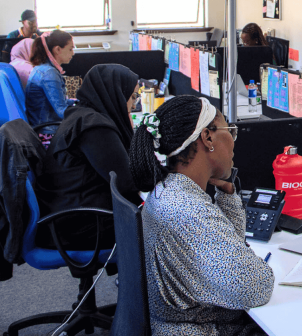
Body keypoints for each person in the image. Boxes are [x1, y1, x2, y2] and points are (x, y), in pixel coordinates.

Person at [129, 96, 274, 335]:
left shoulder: (169, 189)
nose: (234, 141)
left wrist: (227, 195)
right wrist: (257, 266)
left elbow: (231, 250)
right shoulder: (189, 210)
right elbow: (255, 288)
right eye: (230, 130)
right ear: (208, 137)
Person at [35, 65, 142, 250]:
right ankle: (141, 278)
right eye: (132, 97)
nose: (134, 105)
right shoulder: (94, 127)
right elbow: (127, 184)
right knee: (163, 223)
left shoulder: (82, 114)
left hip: (70, 210)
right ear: (115, 94)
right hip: (81, 225)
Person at [25, 30, 74, 134]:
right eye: (70, 49)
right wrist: (86, 112)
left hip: (43, 127)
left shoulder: (43, 68)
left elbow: (59, 102)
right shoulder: (49, 73)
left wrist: (78, 102)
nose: (73, 53)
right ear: (57, 49)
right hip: (47, 132)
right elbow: (61, 111)